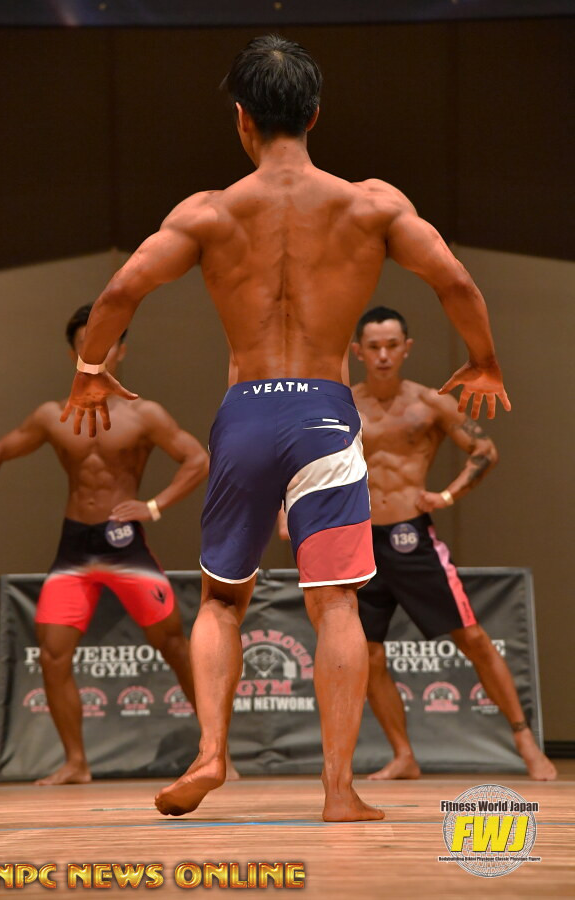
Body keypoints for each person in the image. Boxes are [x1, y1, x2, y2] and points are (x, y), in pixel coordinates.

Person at [59, 36, 511, 821]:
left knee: (220, 601)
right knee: (335, 604)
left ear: (242, 119)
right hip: (325, 415)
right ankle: (338, 791)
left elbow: (123, 288)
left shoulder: (208, 211)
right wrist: (484, 362)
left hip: (246, 414)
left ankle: (211, 753)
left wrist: (90, 369)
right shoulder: (371, 204)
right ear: (315, 114)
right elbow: (455, 280)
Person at [0, 304, 210, 785]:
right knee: (53, 653)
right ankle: (76, 763)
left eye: (105, 343)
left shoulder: (145, 414)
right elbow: (0, 450)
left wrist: (155, 506)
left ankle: (213, 750)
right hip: (75, 548)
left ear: (121, 350)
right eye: (86, 344)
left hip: (126, 546)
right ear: (73, 354)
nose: (95, 352)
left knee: (173, 644)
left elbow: (197, 459)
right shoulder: (51, 415)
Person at [351, 306, 556, 781]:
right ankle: (403, 755)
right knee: (369, 653)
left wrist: (446, 496)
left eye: (392, 345)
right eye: (374, 347)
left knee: (472, 637)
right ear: (358, 351)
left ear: (407, 348)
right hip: (359, 539)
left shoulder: (430, 403)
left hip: (410, 537)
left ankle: (525, 741)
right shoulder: (343, 405)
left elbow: (485, 450)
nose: (383, 356)